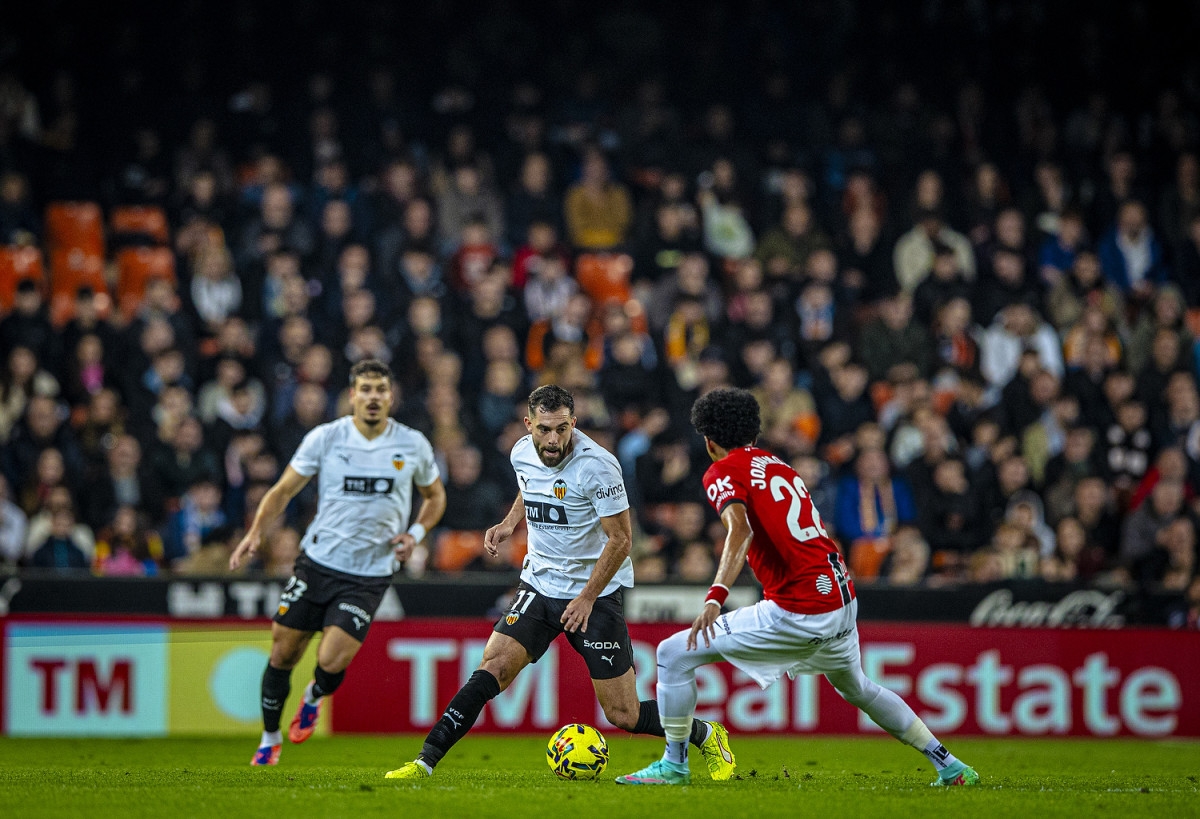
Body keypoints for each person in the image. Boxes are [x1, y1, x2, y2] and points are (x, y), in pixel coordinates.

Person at [614, 388, 979, 787]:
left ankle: (674, 765)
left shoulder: (722, 470)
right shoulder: (777, 464)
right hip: (840, 592)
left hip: (801, 606)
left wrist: (716, 596)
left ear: (709, 441)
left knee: (672, 654)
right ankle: (949, 763)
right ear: (753, 432)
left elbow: (740, 532)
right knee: (859, 687)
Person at [384, 385, 735, 781]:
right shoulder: (520, 452)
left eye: (562, 429)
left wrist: (587, 597)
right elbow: (529, 486)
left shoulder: (598, 466)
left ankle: (706, 733)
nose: (554, 440)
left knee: (623, 714)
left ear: (574, 423)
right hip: (538, 585)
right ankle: (423, 763)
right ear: (529, 424)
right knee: (492, 668)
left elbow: (622, 540)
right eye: (545, 430)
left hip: (595, 597)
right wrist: (509, 523)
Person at [229, 359, 447, 766]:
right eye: (365, 389)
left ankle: (313, 697)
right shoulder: (325, 438)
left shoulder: (411, 443)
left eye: (380, 390)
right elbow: (283, 490)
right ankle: (269, 737)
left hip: (368, 574)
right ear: (352, 395)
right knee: (283, 653)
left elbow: (435, 497)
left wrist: (414, 536)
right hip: (317, 563)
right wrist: (256, 531)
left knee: (331, 660)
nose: (373, 397)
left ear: (390, 396)